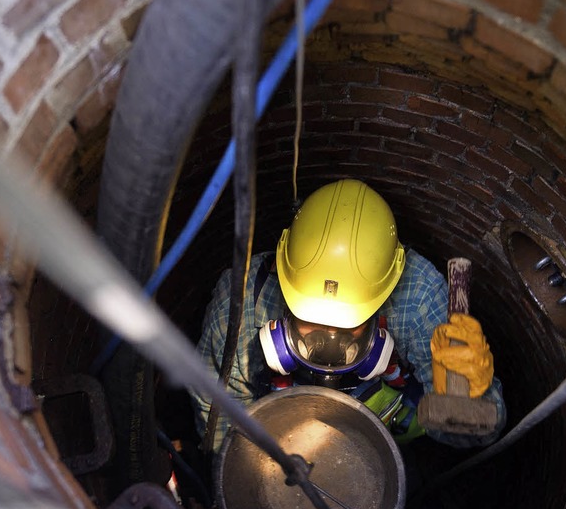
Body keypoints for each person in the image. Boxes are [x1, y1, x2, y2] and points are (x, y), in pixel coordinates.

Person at [193, 179, 506, 454]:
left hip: (385, 439)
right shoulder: (242, 303)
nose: (328, 342)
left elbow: (478, 436)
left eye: (348, 324)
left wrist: (468, 402)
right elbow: (220, 423)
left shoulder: (418, 297)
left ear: (385, 293)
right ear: (284, 278)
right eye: (310, 317)